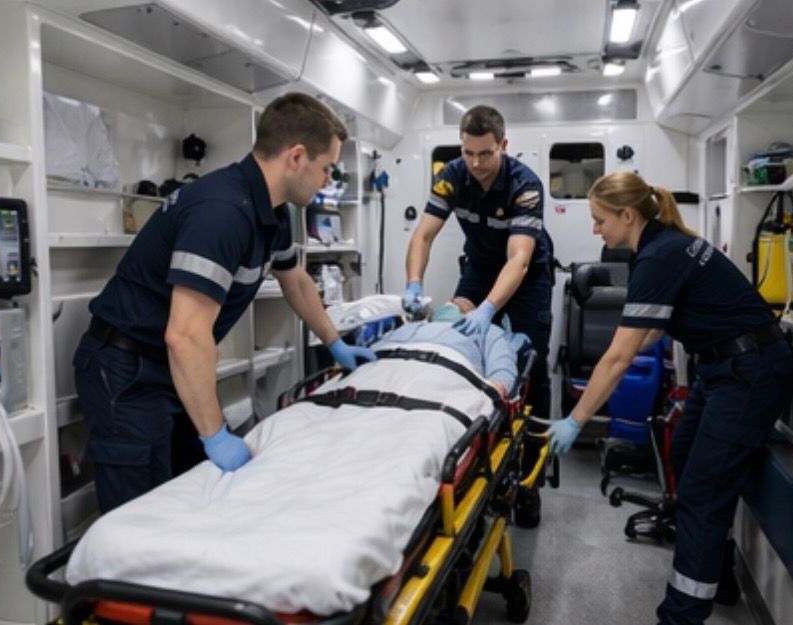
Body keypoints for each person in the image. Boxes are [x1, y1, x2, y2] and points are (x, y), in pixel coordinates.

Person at [74, 93, 376, 513]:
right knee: (143, 514)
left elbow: (297, 283)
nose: (328, 180)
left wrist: (334, 342)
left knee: (191, 496)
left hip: (166, 366)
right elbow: (185, 335)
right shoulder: (222, 212)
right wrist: (215, 434)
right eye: (326, 168)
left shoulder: (270, 212)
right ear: (297, 157)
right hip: (127, 372)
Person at [547, 171, 793, 625]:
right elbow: (642, 338)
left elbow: (621, 356)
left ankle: (680, 616)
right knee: (685, 455)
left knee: (702, 492)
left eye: (600, 219)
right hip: (724, 368)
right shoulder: (662, 245)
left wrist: (577, 419)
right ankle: (717, 573)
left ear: (627, 215)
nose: (595, 230)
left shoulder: (659, 257)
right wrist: (609, 365)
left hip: (750, 372)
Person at [402, 105, 553, 527]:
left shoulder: (525, 185)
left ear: (503, 146)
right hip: (481, 266)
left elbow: (519, 258)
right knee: (461, 343)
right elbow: (425, 233)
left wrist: (490, 308)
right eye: (468, 152)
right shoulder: (451, 176)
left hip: (527, 273)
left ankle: (529, 480)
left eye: (485, 154)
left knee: (529, 368)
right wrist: (414, 282)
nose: (476, 163)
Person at [374, 297, 522, 397]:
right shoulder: (410, 327)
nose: (454, 301)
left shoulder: (484, 330)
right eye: (451, 301)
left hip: (444, 376)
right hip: (386, 369)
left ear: (472, 313)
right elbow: (374, 352)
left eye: (463, 304)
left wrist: (493, 390)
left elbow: (502, 371)